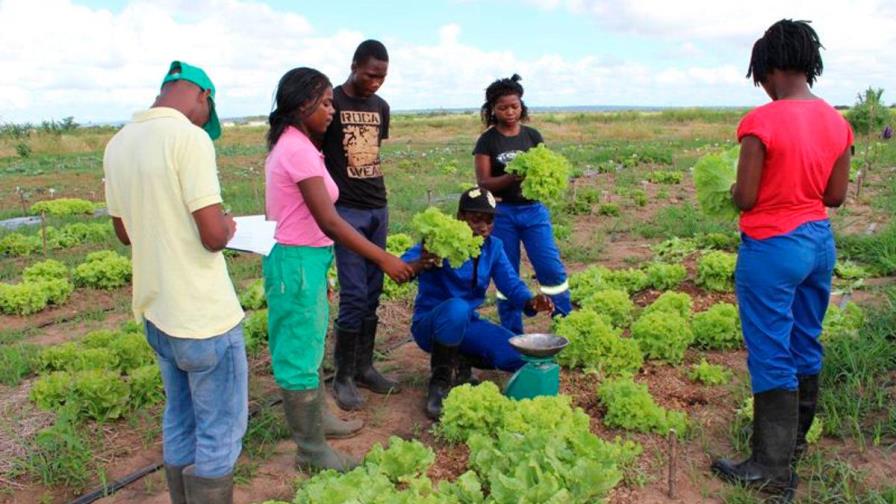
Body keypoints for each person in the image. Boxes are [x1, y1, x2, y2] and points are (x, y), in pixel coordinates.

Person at [710, 20, 853, 500]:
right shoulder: (838, 122)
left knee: (771, 349)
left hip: (773, 246)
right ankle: (792, 449)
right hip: (818, 243)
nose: (763, 87)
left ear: (770, 67)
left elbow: (747, 197)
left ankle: (769, 470)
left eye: (761, 77)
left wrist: (730, 190)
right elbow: (835, 196)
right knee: (804, 341)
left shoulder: (762, 121)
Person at [104, 61, 246, 503]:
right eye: (209, 111)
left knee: (180, 418)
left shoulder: (118, 143)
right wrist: (226, 223)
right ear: (203, 97)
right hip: (203, 316)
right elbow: (211, 237)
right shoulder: (189, 139)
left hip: (157, 312)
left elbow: (125, 232)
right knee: (220, 429)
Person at [263, 67, 413, 472]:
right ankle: (311, 452)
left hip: (306, 258)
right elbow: (330, 220)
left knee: (310, 342)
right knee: (298, 353)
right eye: (326, 103)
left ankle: (320, 419)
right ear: (302, 105)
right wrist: (383, 258)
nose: (333, 110)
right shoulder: (295, 149)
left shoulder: (300, 144)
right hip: (295, 261)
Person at [402, 187, 555, 419]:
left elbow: (511, 284)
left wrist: (531, 301)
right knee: (457, 308)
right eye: (475, 219)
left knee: (519, 357)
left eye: (489, 220)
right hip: (431, 326)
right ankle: (440, 383)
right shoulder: (437, 242)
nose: (483, 226)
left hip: (467, 324)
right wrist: (421, 261)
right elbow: (401, 266)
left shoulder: (493, 247)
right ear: (460, 217)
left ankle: (460, 361)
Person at [321, 39, 398, 411]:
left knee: (373, 290)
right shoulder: (331, 102)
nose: (376, 83)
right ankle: (343, 375)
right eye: (370, 74)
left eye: (382, 76)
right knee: (352, 294)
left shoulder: (381, 107)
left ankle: (365, 366)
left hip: (377, 208)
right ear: (354, 65)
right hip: (346, 210)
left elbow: (372, 153)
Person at [473, 74, 572, 335]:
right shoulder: (488, 140)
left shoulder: (532, 136)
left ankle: (565, 324)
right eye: (503, 107)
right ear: (492, 109)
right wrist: (510, 178)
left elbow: (547, 169)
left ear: (522, 106)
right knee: (507, 274)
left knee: (550, 267)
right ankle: (513, 334)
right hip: (502, 214)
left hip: (534, 212)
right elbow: (483, 182)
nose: (509, 112)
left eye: (514, 106)